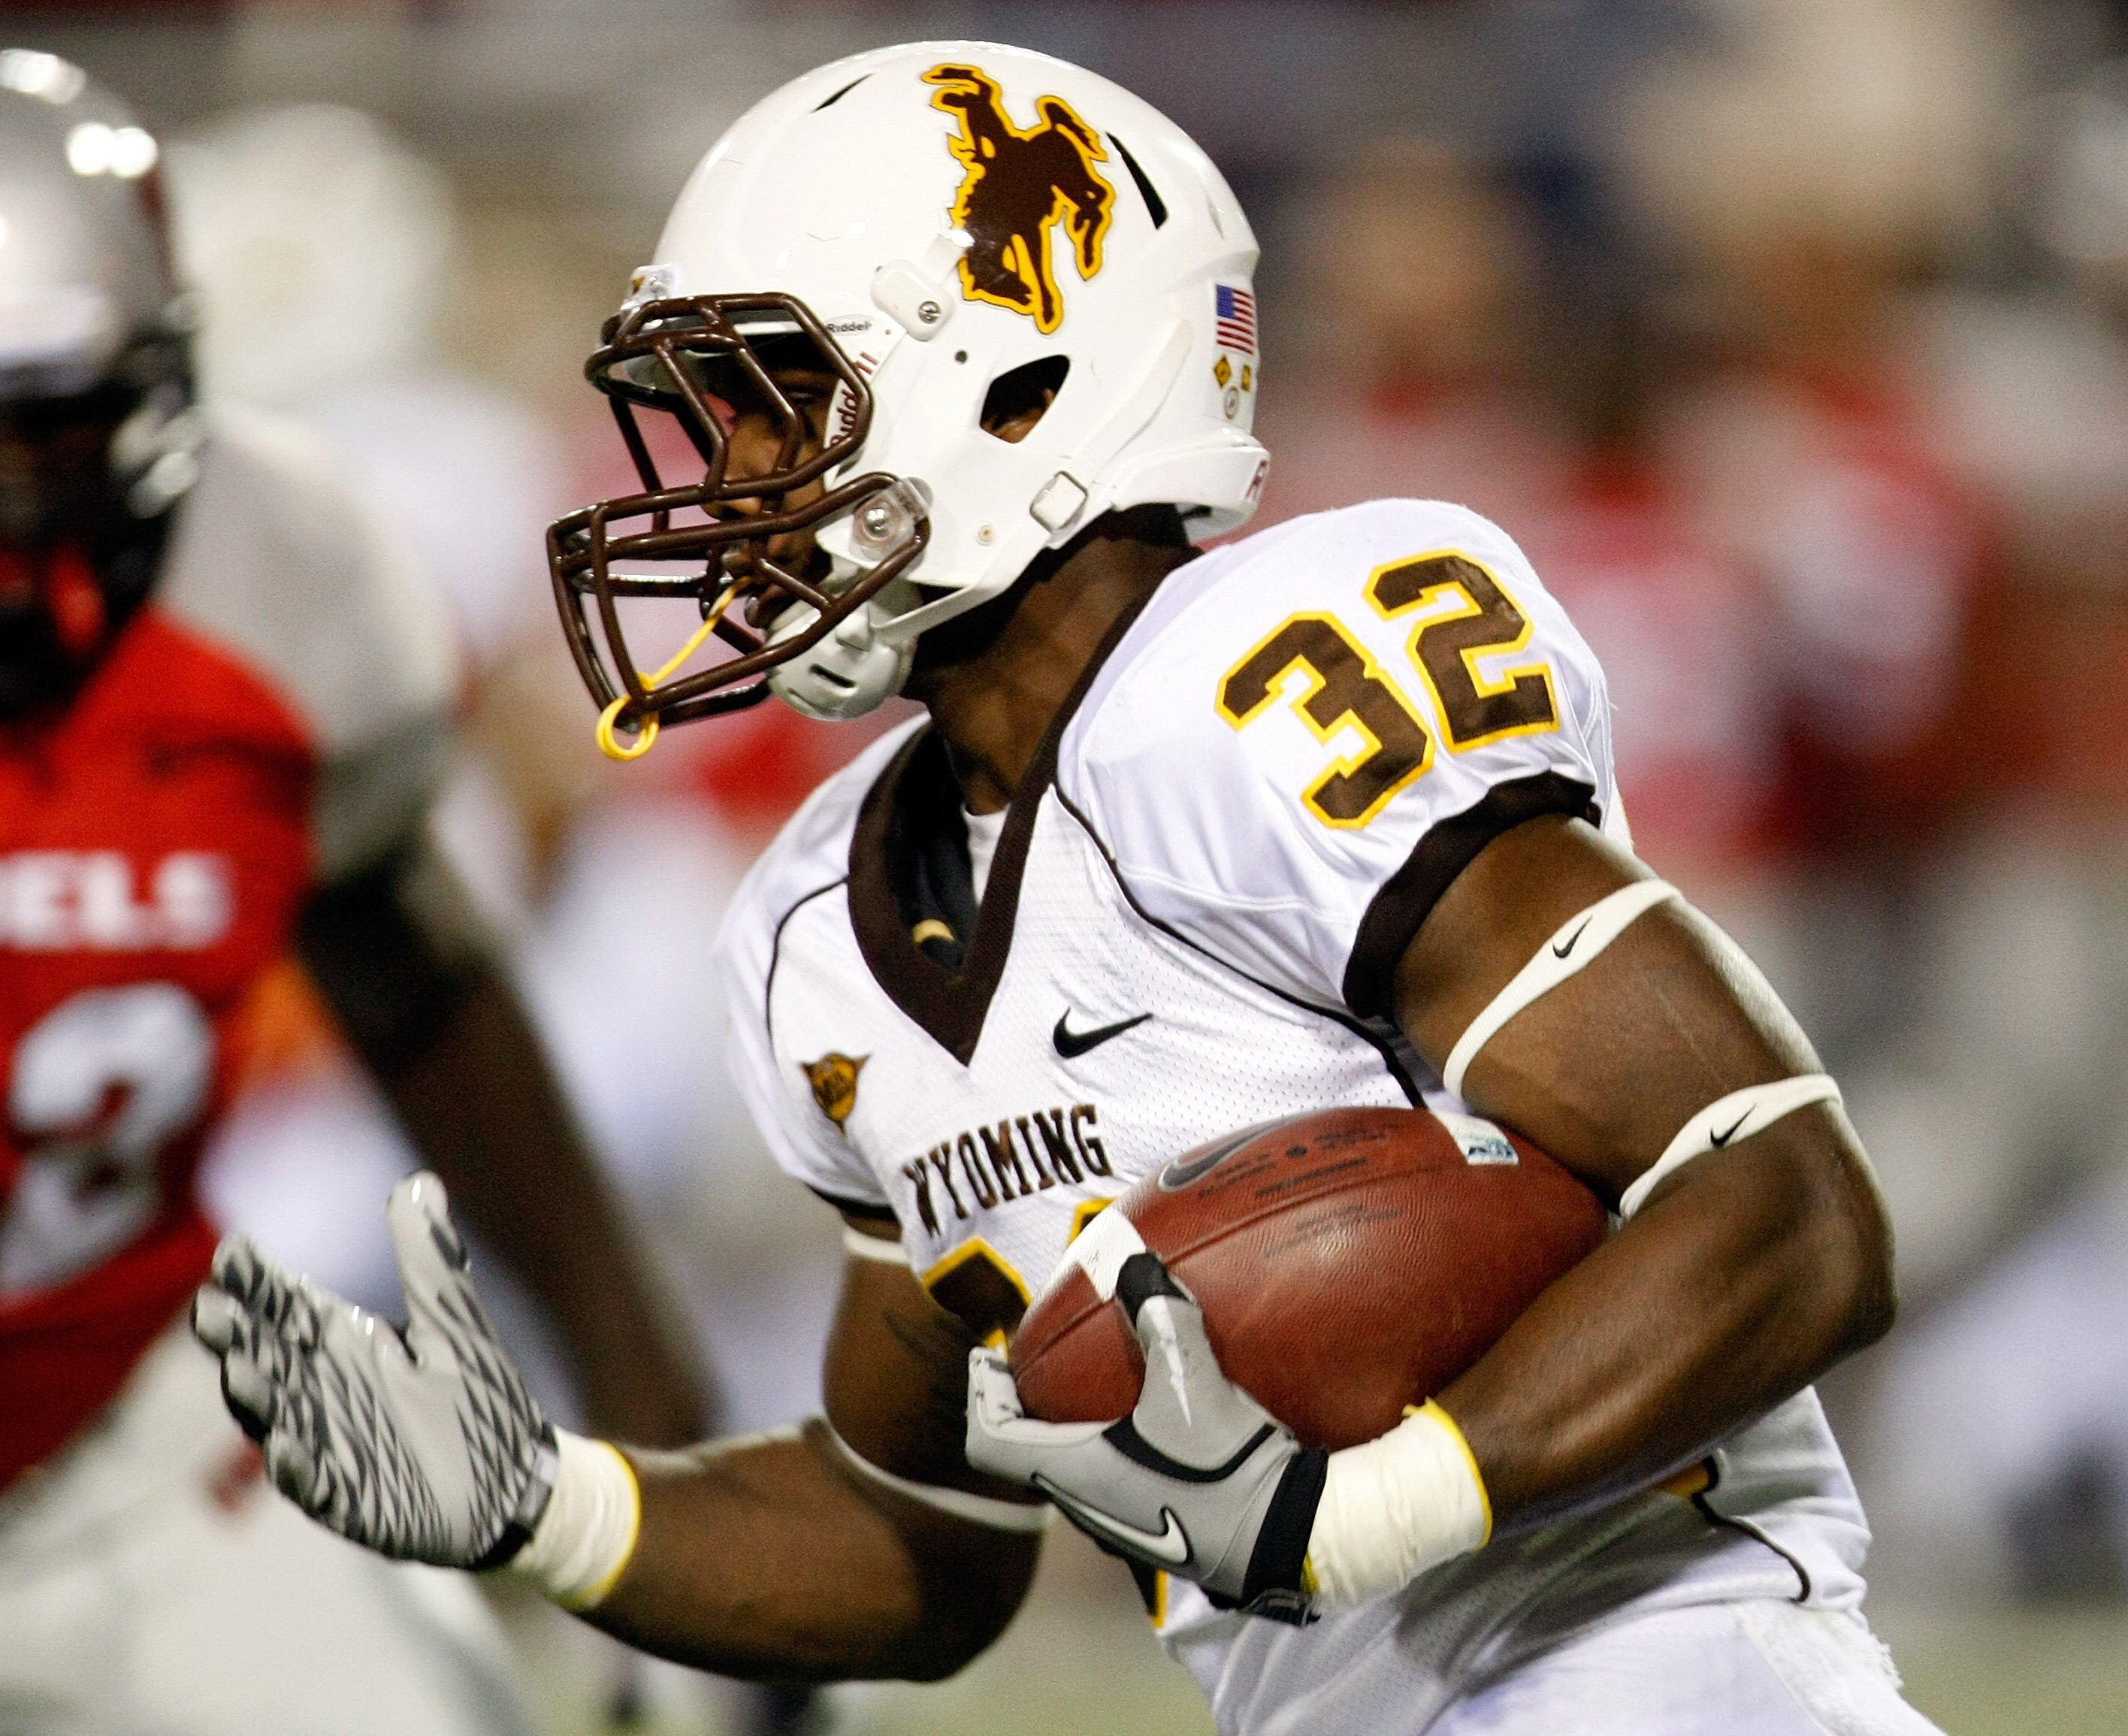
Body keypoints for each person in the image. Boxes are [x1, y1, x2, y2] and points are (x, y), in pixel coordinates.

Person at [198, 41, 1936, 1735]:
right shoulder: (825, 929)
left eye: (777, 407)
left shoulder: (1268, 695)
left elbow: (1783, 1201)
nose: (728, 485)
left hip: (1654, 1670)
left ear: (1021, 387)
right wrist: (552, 1510)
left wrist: (1360, 1512)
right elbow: (921, 1544)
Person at [0, 44, 708, 1736]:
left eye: (67, 425)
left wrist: (652, 1417)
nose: (14, 502)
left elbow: (421, 977)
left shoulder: (288, 574)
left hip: (116, 1442)